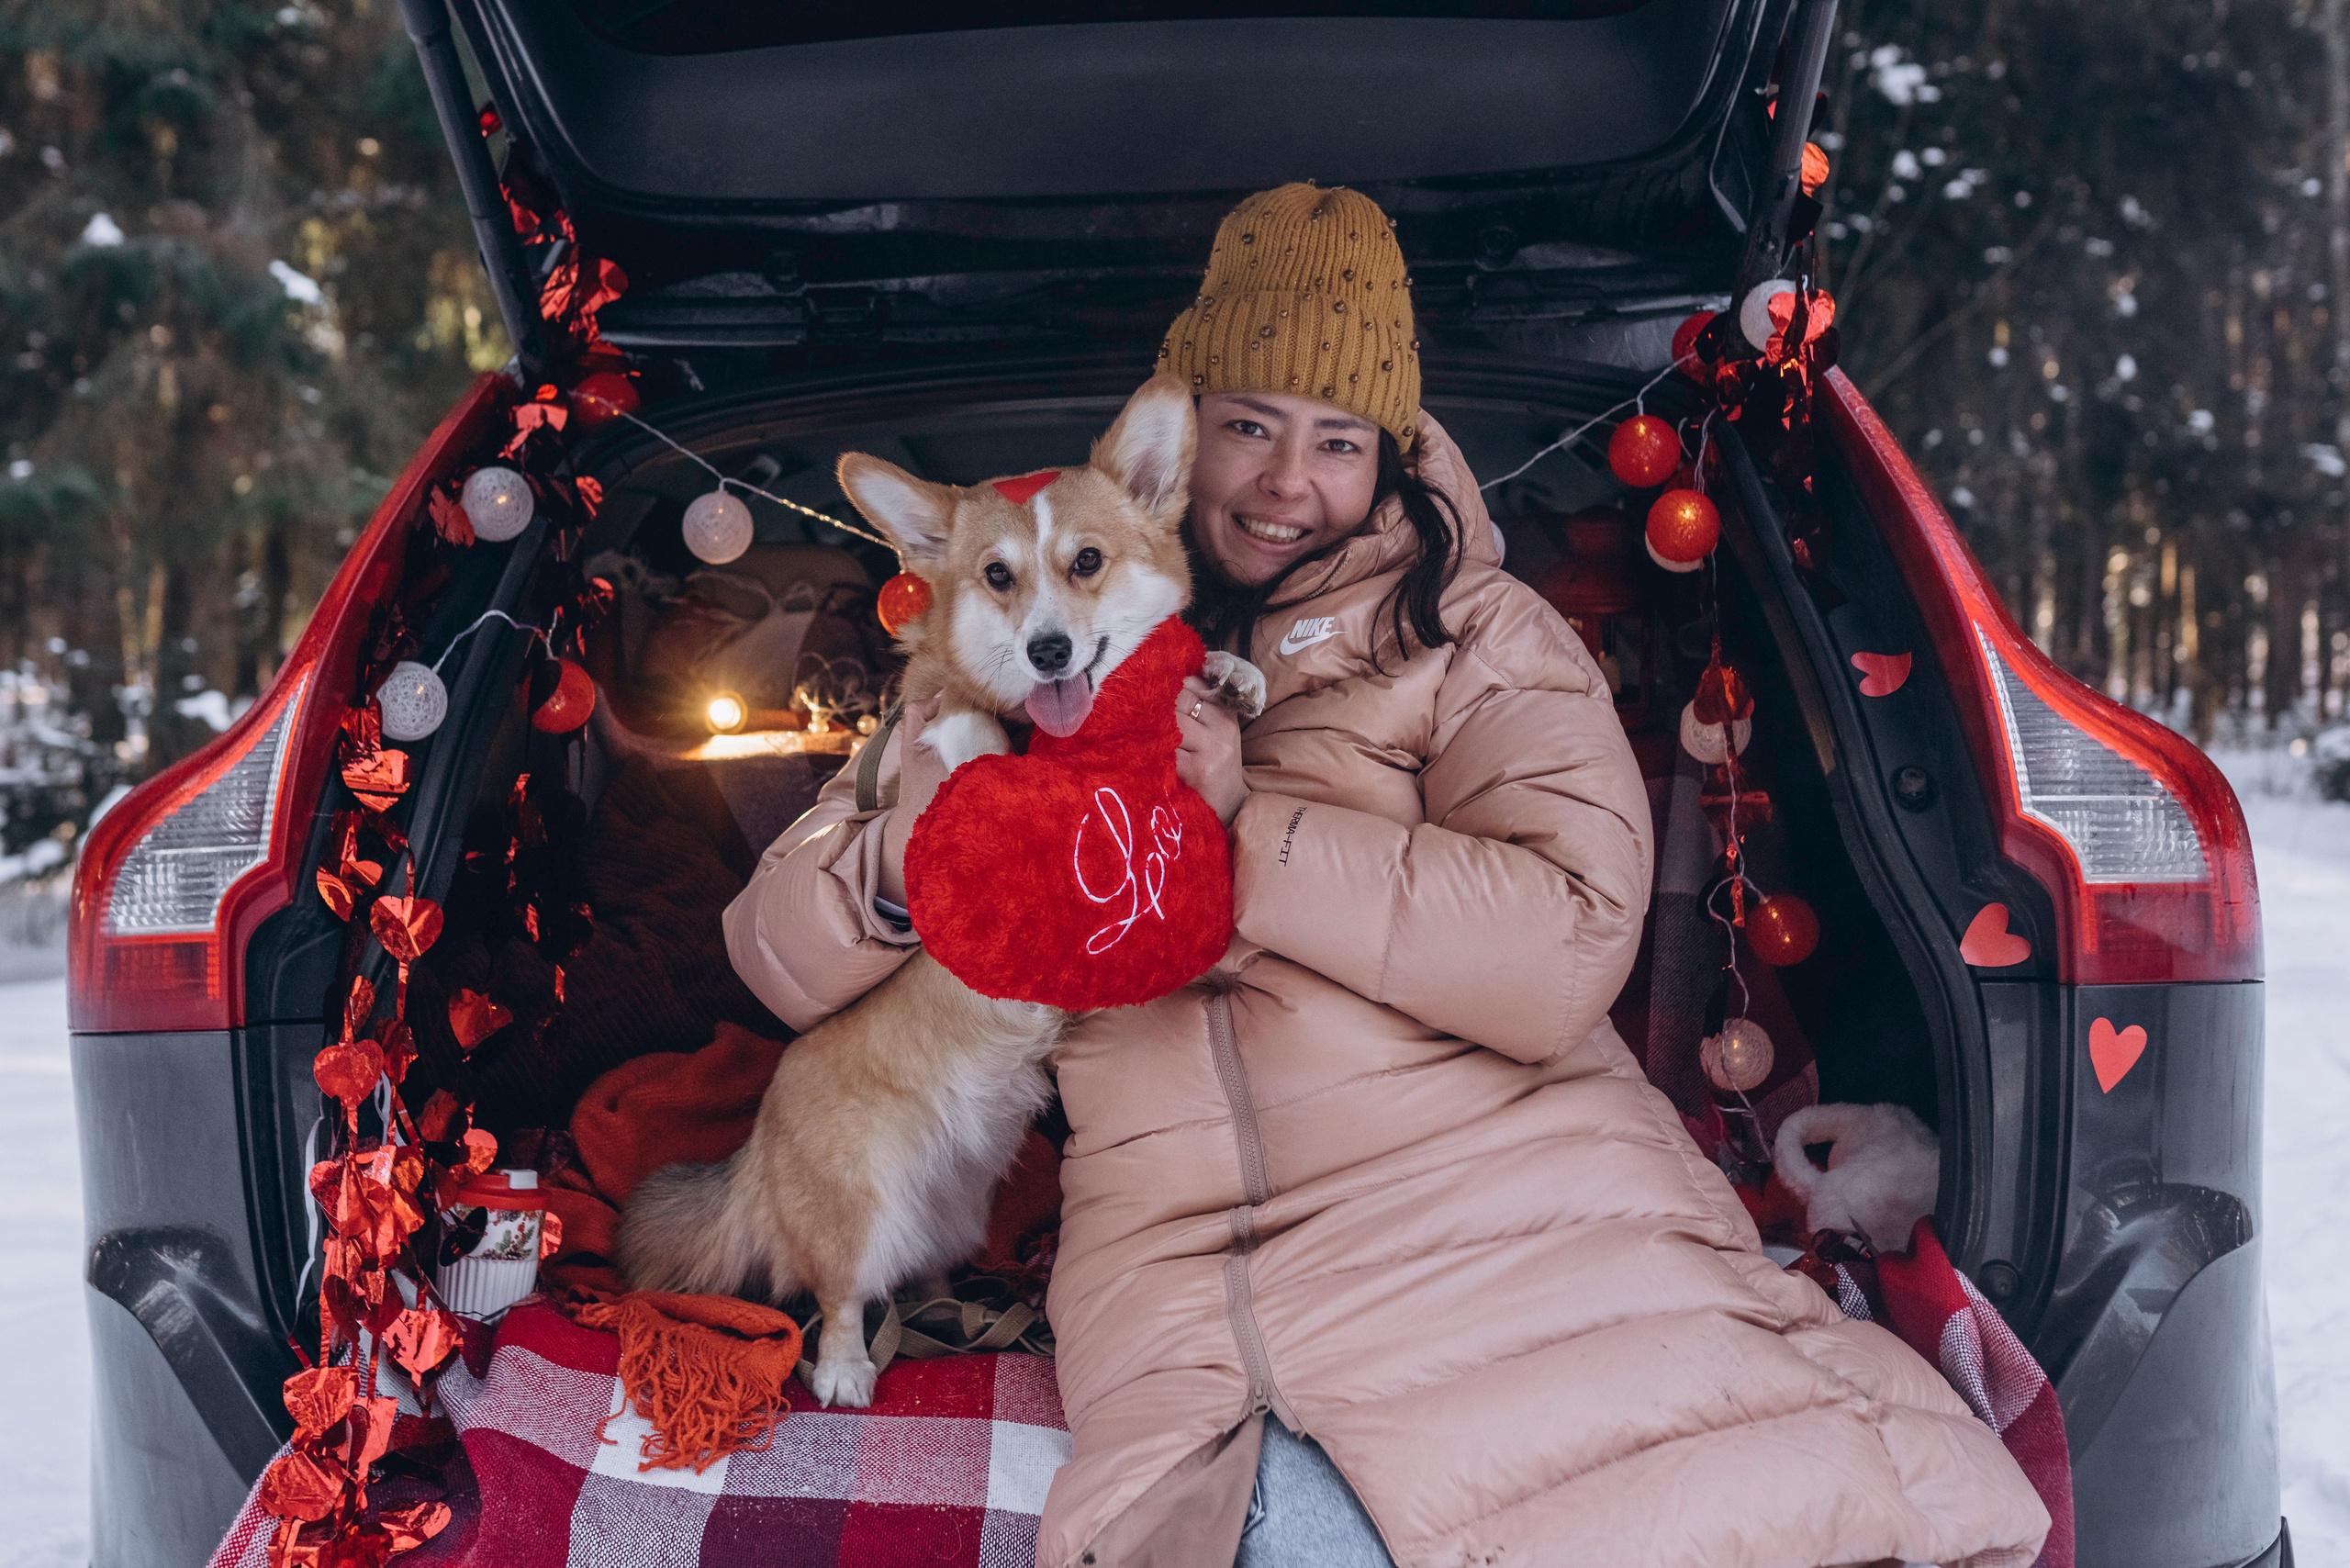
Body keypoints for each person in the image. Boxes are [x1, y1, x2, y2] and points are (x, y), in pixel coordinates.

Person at [725, 184, 2048, 1568]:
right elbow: (773, 953)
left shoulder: (1475, 635)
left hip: (1506, 1194)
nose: (1290, 482)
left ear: (1390, 453)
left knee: (1726, 1495)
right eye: (1250, 427)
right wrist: (905, 854)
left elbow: (1565, 949)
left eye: (1337, 439)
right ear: (1181, 448)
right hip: (1190, 1259)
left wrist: (1247, 832)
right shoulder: (1025, 652)